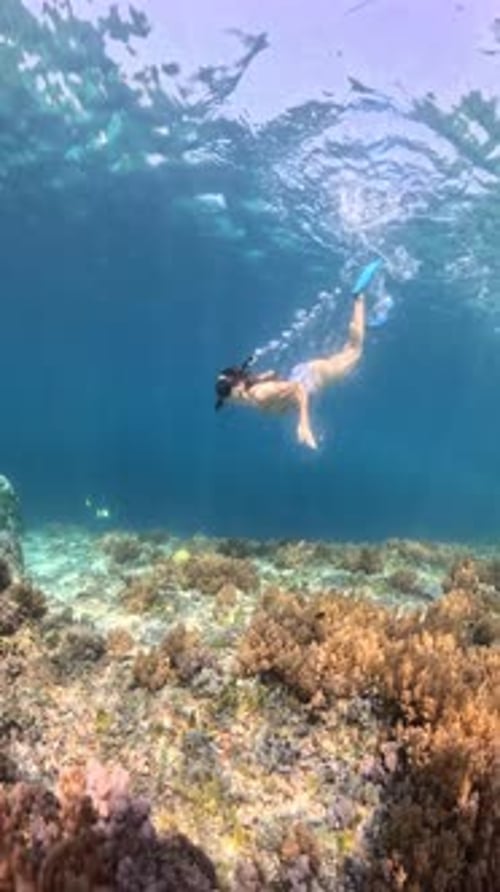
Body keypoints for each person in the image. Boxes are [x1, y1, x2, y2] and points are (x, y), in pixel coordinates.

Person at [214, 260, 382, 450]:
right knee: (347, 350)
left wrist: (304, 423)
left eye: (225, 394)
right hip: (305, 373)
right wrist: (264, 379)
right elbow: (276, 381)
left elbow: (297, 389)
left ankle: (358, 296)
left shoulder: (259, 394)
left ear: (236, 389)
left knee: (354, 351)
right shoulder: (254, 393)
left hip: (311, 377)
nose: (227, 400)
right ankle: (367, 313)